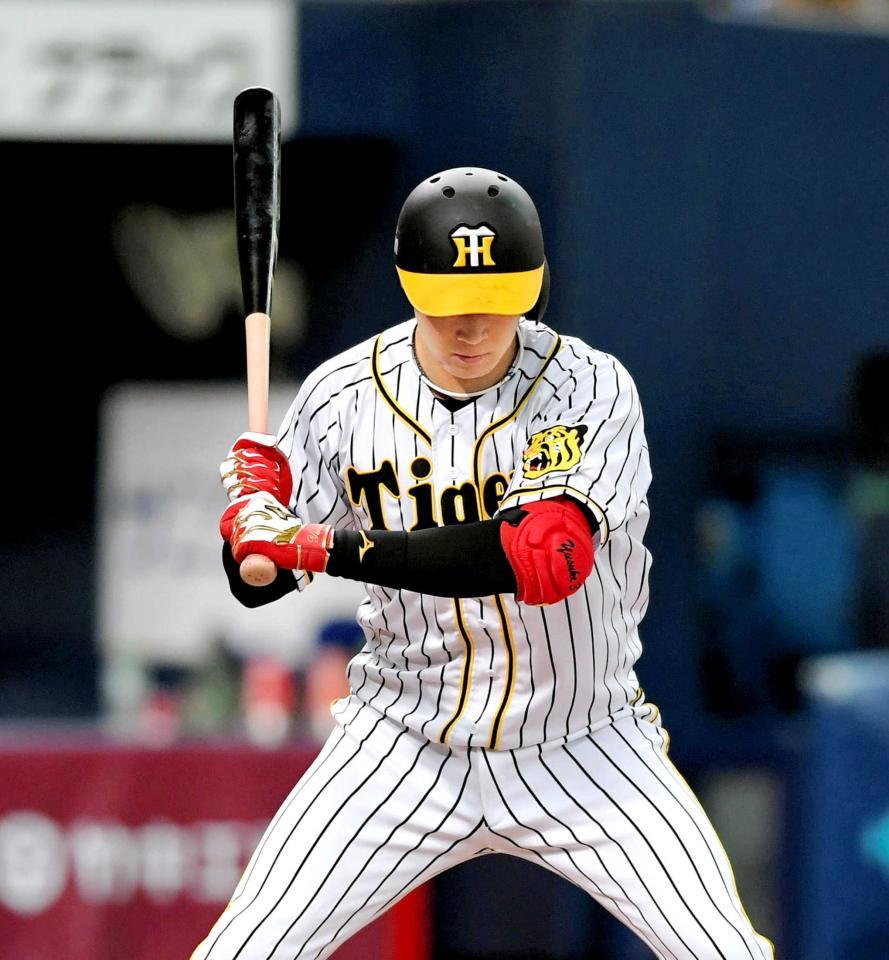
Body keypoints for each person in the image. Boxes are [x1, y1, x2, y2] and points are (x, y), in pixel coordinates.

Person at [193, 168, 774, 960]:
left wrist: (315, 544)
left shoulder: (587, 387)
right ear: (409, 287)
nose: (472, 327)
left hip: (583, 744)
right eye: (449, 304)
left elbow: (529, 556)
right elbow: (259, 583)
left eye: (496, 303)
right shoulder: (340, 395)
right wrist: (255, 521)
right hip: (401, 743)